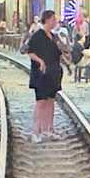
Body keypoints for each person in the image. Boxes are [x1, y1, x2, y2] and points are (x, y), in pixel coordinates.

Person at [24, 9, 64, 142]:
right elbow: (30, 52)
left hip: (53, 73)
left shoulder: (53, 36)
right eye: (53, 19)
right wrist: (40, 61)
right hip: (41, 74)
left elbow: (58, 54)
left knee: (51, 101)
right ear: (46, 20)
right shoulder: (37, 36)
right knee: (41, 101)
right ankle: (36, 131)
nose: (55, 22)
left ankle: (48, 129)